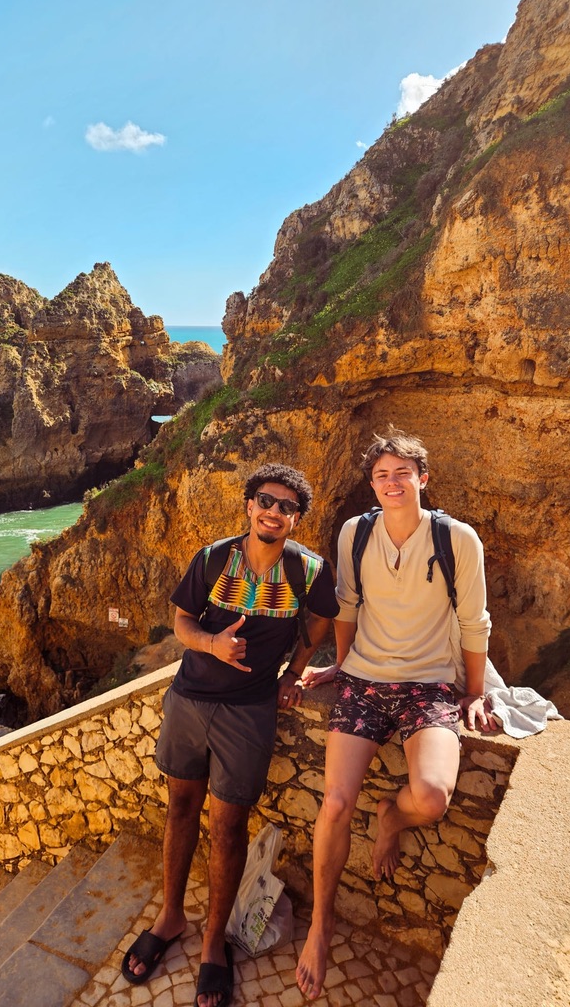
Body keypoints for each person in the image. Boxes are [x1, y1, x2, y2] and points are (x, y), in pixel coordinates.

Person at [121, 463, 339, 1007]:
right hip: (189, 700)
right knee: (179, 809)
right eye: (265, 500)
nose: (274, 511)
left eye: (286, 506)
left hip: (248, 711)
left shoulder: (308, 571)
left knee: (227, 825)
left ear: (296, 518)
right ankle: (170, 917)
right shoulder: (214, 558)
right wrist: (212, 645)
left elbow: (321, 624)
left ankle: (213, 944)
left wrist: (294, 673)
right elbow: (181, 622)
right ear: (249, 505)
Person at [296, 427, 495, 1000]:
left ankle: (391, 816)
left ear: (422, 478)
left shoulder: (458, 540)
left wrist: (475, 691)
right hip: (363, 680)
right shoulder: (355, 534)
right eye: (381, 475)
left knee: (431, 797)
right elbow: (348, 607)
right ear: (372, 483)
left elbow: (473, 622)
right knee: (334, 801)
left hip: (429, 683)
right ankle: (321, 926)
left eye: (401, 473)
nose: (391, 484)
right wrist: (338, 664)